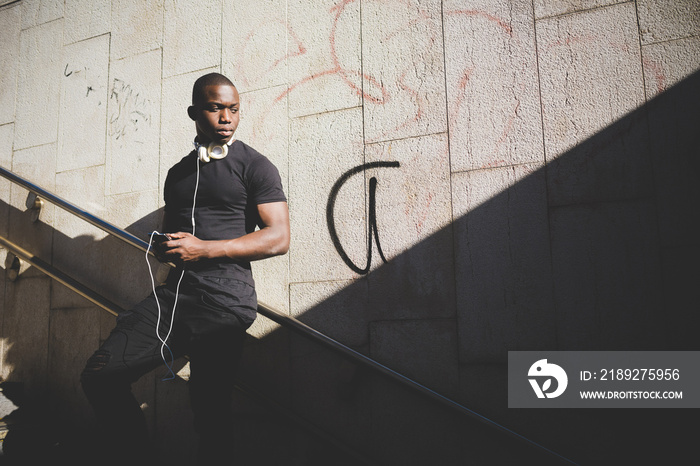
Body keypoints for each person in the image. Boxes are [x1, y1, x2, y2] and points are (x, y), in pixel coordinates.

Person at [80, 72, 290, 465]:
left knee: (209, 411)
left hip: (225, 303)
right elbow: (180, 235)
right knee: (100, 375)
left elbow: (278, 238)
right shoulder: (178, 174)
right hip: (175, 297)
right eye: (216, 108)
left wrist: (204, 250)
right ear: (195, 112)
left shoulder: (255, 166)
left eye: (234, 109)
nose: (226, 117)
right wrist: (166, 249)